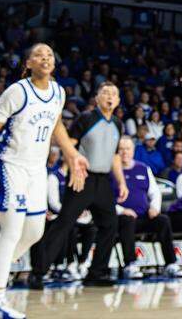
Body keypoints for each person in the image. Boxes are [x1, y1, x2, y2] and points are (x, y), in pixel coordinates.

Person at [0, 44, 88, 319]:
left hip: (37, 169)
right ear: (28, 63)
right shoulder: (17, 91)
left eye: (49, 54)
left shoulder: (59, 92)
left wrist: (72, 155)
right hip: (10, 166)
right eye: (39, 55)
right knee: (11, 231)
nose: (45, 58)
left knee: (35, 232)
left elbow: (56, 125)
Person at [31, 82, 126, 289]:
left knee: (110, 225)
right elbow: (69, 145)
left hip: (103, 181)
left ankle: (96, 272)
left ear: (118, 101)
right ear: (97, 98)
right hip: (81, 176)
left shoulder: (118, 124)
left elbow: (116, 156)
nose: (110, 96)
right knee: (65, 222)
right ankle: (38, 271)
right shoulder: (86, 118)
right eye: (105, 93)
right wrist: (72, 168)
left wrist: (122, 182)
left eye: (114, 94)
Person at [113, 136, 182, 279]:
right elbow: (105, 200)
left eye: (127, 149)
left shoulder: (143, 168)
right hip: (121, 219)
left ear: (133, 151)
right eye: (121, 149)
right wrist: (122, 210)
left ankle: (171, 264)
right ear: (116, 152)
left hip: (144, 216)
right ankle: (130, 265)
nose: (125, 152)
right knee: (127, 219)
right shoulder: (111, 171)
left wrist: (154, 208)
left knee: (163, 220)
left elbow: (155, 192)